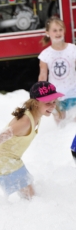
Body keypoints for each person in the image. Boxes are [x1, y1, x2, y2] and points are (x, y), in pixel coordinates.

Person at [0, 81, 64, 199]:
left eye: (54, 101)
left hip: (12, 161)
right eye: (47, 102)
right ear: (35, 103)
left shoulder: (37, 115)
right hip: (4, 163)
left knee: (31, 200)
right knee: (31, 200)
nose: (52, 105)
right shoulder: (25, 121)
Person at [38, 16, 76, 164]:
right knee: (61, 125)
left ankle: (72, 152)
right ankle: (61, 155)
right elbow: (43, 75)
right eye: (55, 30)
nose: (58, 32)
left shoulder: (73, 49)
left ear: (65, 31)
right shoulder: (46, 54)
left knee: (73, 123)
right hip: (57, 96)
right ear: (48, 33)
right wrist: (41, 95)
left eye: (61, 29)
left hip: (74, 92)